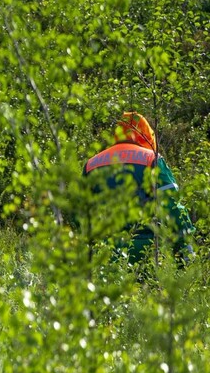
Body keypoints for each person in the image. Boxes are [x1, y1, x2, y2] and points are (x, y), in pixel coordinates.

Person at [82, 112, 196, 265]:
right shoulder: (151, 158)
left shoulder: (91, 164)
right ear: (146, 132)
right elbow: (173, 206)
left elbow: (80, 211)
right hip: (145, 250)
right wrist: (185, 250)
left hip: (105, 252)